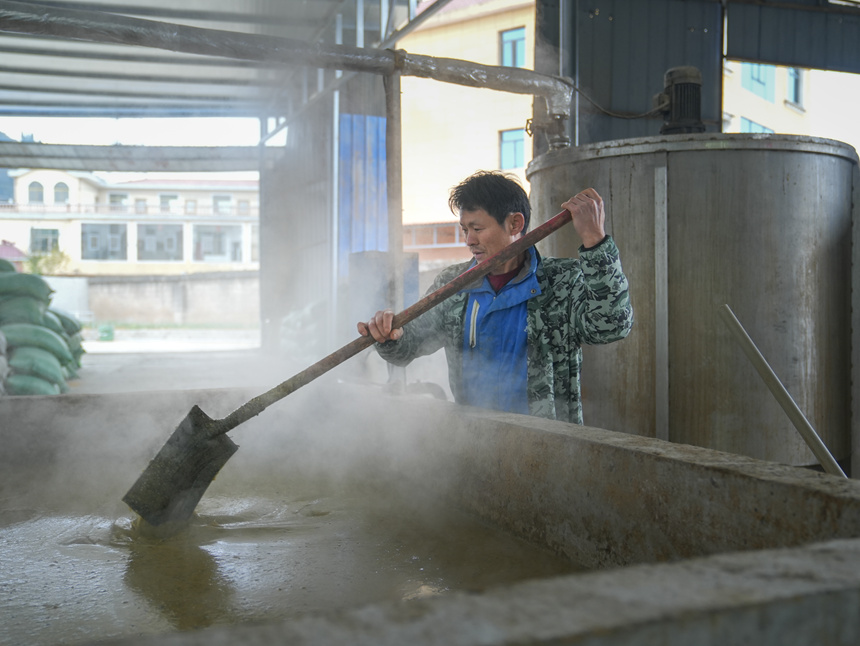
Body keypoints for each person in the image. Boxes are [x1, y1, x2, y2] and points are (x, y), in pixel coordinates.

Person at [357, 170, 633, 425]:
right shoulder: (453, 287)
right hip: (475, 440)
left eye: (477, 229)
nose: (468, 240)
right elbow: (408, 348)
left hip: (548, 446)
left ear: (515, 223)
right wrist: (388, 335)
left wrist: (595, 242)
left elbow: (610, 326)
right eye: (465, 230)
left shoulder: (560, 282)